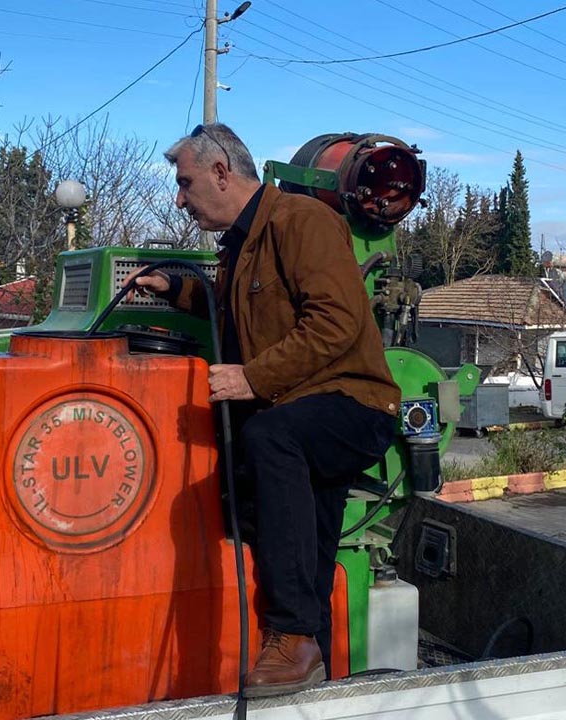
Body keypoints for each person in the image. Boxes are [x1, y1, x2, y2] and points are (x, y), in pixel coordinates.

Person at [134, 123, 400, 698]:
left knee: (270, 439)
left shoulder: (302, 221)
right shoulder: (241, 246)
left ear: (221, 173)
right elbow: (240, 315)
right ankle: (313, 678)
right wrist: (173, 290)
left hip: (353, 403)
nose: (179, 199)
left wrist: (252, 378)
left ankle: (291, 635)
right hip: (305, 412)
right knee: (313, 560)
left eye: (185, 184)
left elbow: (334, 321)